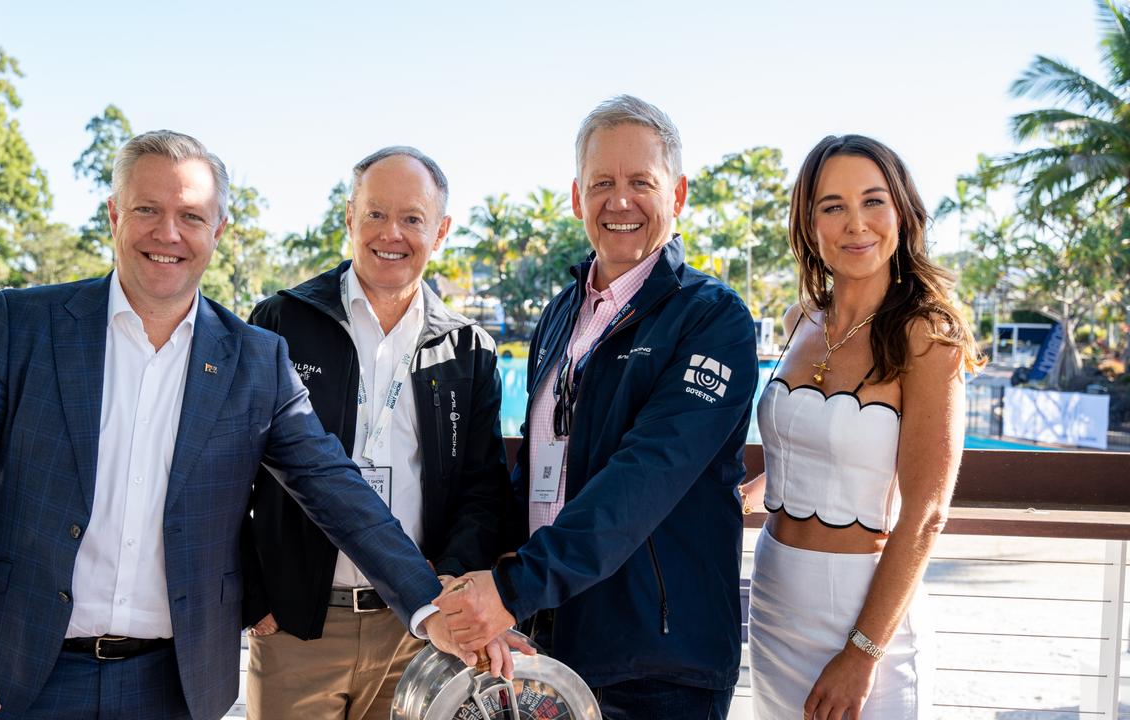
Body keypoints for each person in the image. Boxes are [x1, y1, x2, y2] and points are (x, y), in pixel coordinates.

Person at [0, 130, 511, 720]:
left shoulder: (255, 357)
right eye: (148, 209)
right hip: (16, 674)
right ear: (114, 213)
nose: (168, 233)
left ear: (216, 230)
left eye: (191, 216)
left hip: (171, 686)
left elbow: (334, 489)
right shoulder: (23, 325)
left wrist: (433, 610)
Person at [435, 95, 758, 720]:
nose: (620, 201)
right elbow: (535, 477)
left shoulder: (712, 318)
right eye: (603, 183)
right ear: (578, 197)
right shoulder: (561, 315)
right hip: (549, 647)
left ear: (679, 193)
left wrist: (510, 589)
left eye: (642, 182)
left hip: (658, 662)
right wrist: (472, 577)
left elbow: (644, 478)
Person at [242, 146, 511, 719]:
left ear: (440, 231)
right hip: (296, 626)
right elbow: (228, 470)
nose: (392, 233)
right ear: (349, 218)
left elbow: (483, 489)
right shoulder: (282, 322)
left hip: (414, 631)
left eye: (412, 218)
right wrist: (254, 595)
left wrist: (450, 591)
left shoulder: (467, 349)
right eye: (375, 214)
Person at [740, 134, 981, 718]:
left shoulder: (927, 336)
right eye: (833, 206)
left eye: (873, 201)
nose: (856, 224)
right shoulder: (801, 319)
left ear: (900, 212)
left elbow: (926, 512)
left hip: (863, 613)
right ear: (809, 224)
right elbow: (799, 453)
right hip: (772, 599)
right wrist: (732, 499)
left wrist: (863, 655)